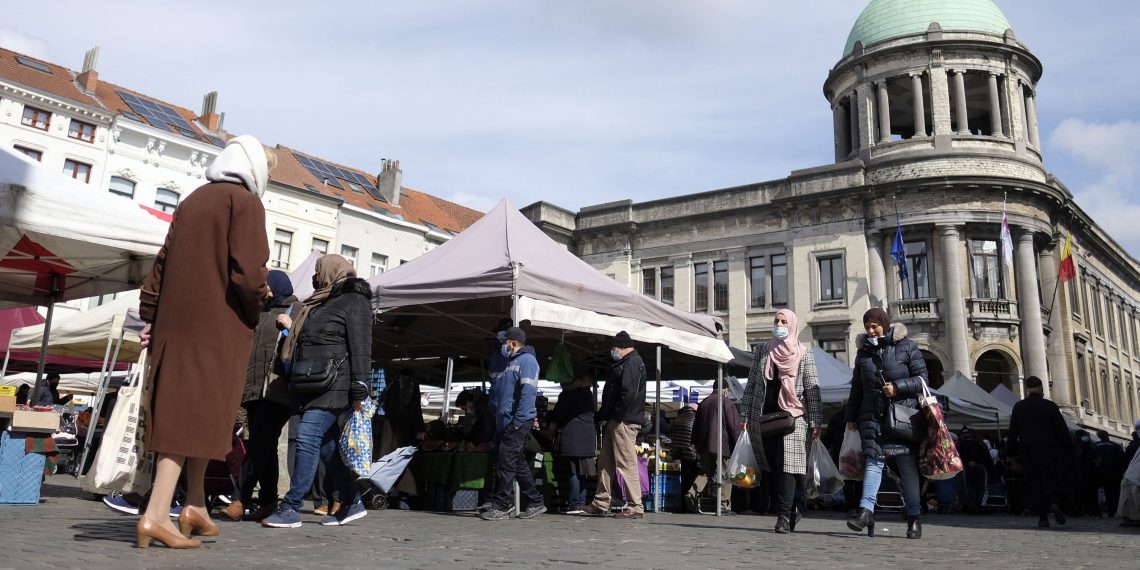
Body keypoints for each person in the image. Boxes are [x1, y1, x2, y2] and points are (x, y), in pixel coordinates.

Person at [135, 135, 273, 549]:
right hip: (216, 329)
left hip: (175, 328)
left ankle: (194, 505)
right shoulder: (245, 203)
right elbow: (249, 275)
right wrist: (257, 305)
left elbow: (160, 265)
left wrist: (152, 318)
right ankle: (157, 513)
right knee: (190, 417)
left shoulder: (192, 201)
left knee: (197, 416)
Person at [262, 254, 373, 529]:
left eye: (318, 271)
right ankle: (351, 501)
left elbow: (361, 347)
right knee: (326, 448)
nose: (315, 276)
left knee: (308, 436)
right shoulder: (322, 300)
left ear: (331, 272)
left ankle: (291, 506)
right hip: (312, 384)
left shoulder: (354, 300)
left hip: (336, 384)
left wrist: (360, 390)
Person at [224, 270, 302, 522]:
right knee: (264, 445)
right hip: (253, 388)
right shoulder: (260, 310)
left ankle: (240, 498)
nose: (263, 289)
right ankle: (268, 500)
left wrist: (291, 328)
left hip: (277, 389)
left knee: (258, 444)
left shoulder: (296, 309)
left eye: (266, 285)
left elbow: (305, 342)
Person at [844, 308, 926, 539]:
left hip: (902, 418)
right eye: (867, 327)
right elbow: (857, 387)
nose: (870, 331)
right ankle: (866, 512)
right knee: (873, 463)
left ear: (885, 324)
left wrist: (898, 387)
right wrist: (850, 416)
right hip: (872, 416)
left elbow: (922, 380)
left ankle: (914, 517)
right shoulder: (864, 353)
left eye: (874, 326)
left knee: (908, 468)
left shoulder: (907, 347)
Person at [741, 309, 821, 533]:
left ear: (792, 325)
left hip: (793, 418)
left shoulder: (804, 353)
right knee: (773, 467)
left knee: (788, 467)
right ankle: (793, 508)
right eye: (777, 321)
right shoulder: (763, 351)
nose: (779, 324)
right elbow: (752, 385)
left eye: (784, 321)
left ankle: (783, 516)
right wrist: (745, 415)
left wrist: (815, 422)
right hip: (765, 417)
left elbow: (812, 392)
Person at [480, 327, 546, 520]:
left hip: (516, 422)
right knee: (516, 463)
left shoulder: (527, 361)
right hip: (506, 421)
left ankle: (502, 505)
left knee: (506, 463)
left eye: (504, 342)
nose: (502, 345)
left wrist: (517, 421)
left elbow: (528, 394)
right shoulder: (511, 362)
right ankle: (536, 501)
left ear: (513, 343)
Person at [581, 331, 647, 519]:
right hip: (617, 421)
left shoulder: (632, 362)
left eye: (614, 347)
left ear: (621, 347)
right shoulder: (627, 362)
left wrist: (617, 417)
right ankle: (600, 502)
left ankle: (636, 506)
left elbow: (629, 394)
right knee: (605, 462)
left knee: (626, 463)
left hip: (623, 422)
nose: (612, 351)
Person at [1006, 376, 1077, 528]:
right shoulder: (1050, 406)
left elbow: (1012, 433)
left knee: (1034, 483)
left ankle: (1042, 518)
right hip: (1051, 451)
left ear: (1026, 388)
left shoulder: (1019, 407)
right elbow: (1062, 431)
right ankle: (1054, 502)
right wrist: (1069, 450)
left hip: (1029, 452)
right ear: (1041, 388)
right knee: (1053, 479)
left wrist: (1011, 456)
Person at [546, 370, 597, 514]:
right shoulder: (587, 394)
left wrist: (552, 427)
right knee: (582, 472)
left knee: (573, 471)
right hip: (587, 437)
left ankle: (575, 504)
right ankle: (581, 502)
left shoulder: (568, 395)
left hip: (572, 437)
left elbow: (558, 414)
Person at [692, 385, 741, 515]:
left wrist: (696, 443)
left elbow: (696, 426)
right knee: (725, 473)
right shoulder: (727, 403)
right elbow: (734, 427)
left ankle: (692, 493)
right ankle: (723, 505)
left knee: (706, 472)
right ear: (725, 389)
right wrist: (739, 444)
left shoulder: (704, 402)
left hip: (705, 445)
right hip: (722, 445)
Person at [671, 400, 701, 513]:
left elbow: (672, 434)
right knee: (692, 478)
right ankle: (690, 505)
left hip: (680, 452)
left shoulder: (679, 417)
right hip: (692, 451)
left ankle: (683, 506)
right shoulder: (695, 417)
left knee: (683, 479)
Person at [958, 426, 993, 514]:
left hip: (967, 467)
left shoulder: (961, 444)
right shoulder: (980, 442)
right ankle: (982, 506)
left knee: (970, 488)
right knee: (983, 488)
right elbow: (987, 457)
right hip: (980, 466)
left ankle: (972, 508)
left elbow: (958, 456)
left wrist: (968, 462)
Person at [1094, 429, 1126, 517]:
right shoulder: (1115, 445)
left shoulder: (1096, 445)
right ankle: (1115, 508)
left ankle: (1109, 510)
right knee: (1115, 490)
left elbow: (1094, 458)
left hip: (1102, 471)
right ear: (1107, 435)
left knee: (1106, 491)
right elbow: (1123, 457)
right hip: (1115, 471)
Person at [1074, 429, 1101, 517]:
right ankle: (1094, 511)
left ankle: (1083, 510)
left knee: (1083, 492)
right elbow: (1097, 458)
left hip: (1081, 472)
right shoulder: (1091, 445)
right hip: (1091, 473)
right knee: (1092, 493)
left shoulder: (1076, 444)